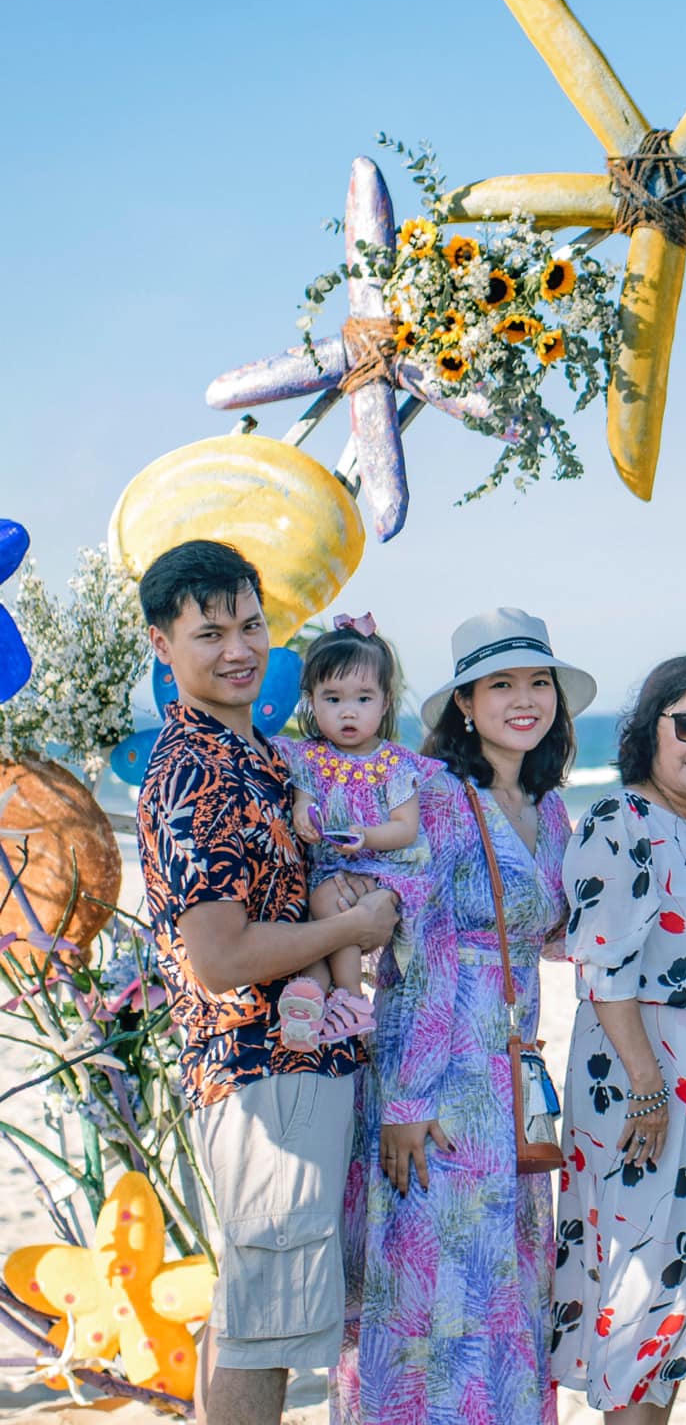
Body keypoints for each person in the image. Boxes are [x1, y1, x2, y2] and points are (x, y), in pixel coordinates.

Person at [136, 540, 397, 1425]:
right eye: (210, 634)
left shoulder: (264, 754)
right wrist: (351, 931)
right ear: (162, 645)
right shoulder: (196, 767)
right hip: (260, 1069)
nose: (239, 649)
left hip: (298, 1063)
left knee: (259, 1309)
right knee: (266, 1330)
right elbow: (220, 957)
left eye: (251, 626)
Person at [333, 608, 595, 1425]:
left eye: (538, 682)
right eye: (501, 684)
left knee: (501, 1286)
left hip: (511, 1073)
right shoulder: (440, 797)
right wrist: (407, 1102)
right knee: (434, 1291)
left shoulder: (550, 808)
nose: (525, 699)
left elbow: (551, 934)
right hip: (439, 1073)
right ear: (465, 704)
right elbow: (424, 952)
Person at [553, 656, 686, 1420]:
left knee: (676, 1294)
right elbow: (603, 969)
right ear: (651, 729)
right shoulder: (620, 819)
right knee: (637, 1292)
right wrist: (646, 1088)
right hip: (644, 1074)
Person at [277, 614, 435, 1048]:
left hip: (386, 870)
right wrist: (305, 819)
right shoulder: (310, 758)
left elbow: (405, 829)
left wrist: (365, 837)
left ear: (385, 702)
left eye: (364, 698)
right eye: (333, 698)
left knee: (330, 907)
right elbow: (304, 801)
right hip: (332, 868)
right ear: (312, 702)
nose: (348, 711)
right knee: (320, 908)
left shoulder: (394, 764)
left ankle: (349, 997)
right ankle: (312, 997)